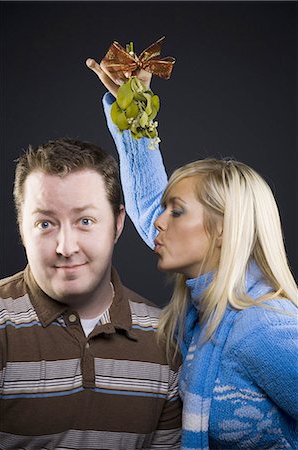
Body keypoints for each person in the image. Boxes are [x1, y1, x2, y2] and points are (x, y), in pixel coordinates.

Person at [87, 59, 298, 450]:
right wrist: (135, 111)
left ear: (222, 230)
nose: (158, 223)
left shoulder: (265, 331)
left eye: (176, 211)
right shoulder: (211, 313)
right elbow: (149, 205)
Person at [0, 138, 182, 449]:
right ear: (21, 228)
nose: (66, 247)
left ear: (118, 223)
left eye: (85, 221)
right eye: (45, 224)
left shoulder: (164, 339)